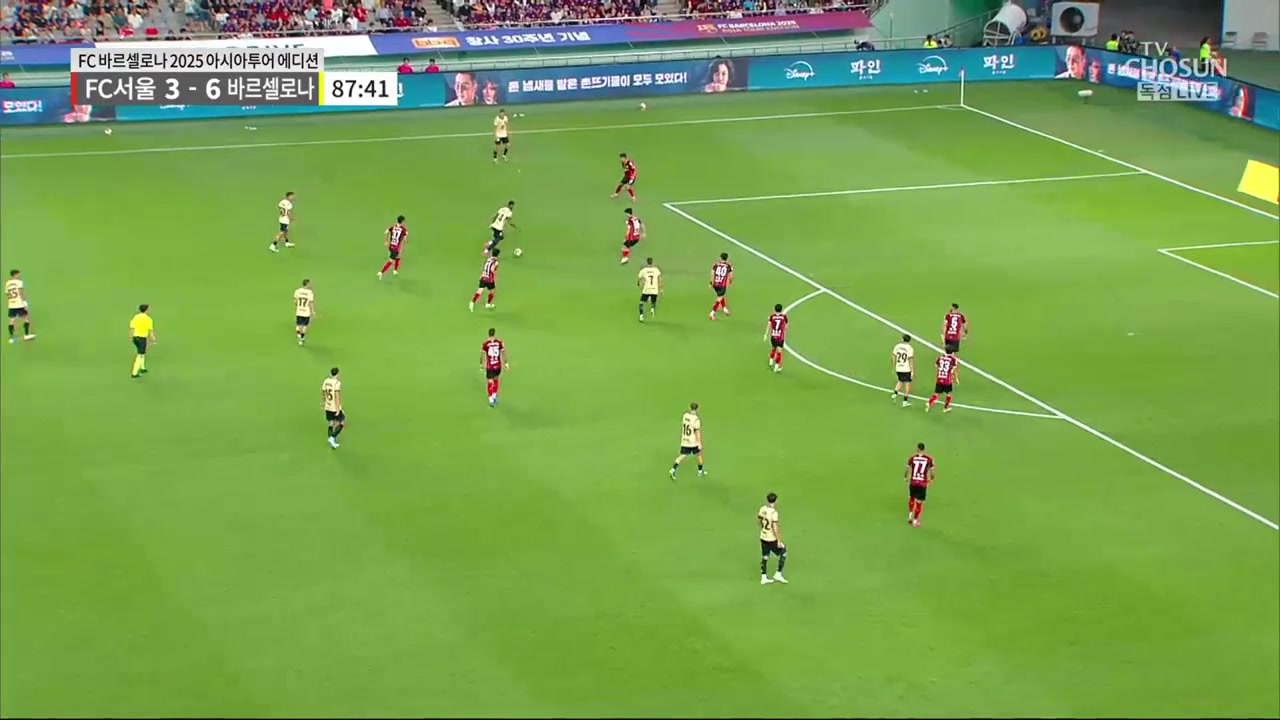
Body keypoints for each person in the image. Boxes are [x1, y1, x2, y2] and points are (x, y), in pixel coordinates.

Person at [758, 492, 787, 584]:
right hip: (771, 538)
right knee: (783, 552)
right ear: (776, 501)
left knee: (765, 556)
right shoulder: (774, 513)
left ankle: (763, 577)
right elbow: (775, 527)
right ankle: (778, 574)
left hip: (763, 536)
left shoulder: (762, 509)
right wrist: (779, 540)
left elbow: (759, 520)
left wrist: (763, 529)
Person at [670, 402, 705, 479]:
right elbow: (697, 432)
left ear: (690, 408)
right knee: (699, 454)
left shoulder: (685, 416)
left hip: (685, 440)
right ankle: (700, 471)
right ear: (697, 409)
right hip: (693, 441)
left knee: (682, 455)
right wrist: (699, 443)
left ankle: (673, 469)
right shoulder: (696, 419)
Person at [5, 269, 34, 344]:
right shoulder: (19, 282)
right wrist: (25, 302)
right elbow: (21, 292)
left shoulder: (7, 283)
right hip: (19, 304)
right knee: (26, 318)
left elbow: (7, 294)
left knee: (11, 320)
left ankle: (11, 338)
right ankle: (26, 335)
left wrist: (10, 302)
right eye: (18, 274)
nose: (19, 275)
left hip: (11, 304)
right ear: (15, 275)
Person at [128, 303, 155, 378]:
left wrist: (130, 337)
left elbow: (132, 328)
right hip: (142, 339)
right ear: (146, 310)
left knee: (142, 352)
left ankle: (142, 368)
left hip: (135, 337)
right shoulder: (148, 319)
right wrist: (153, 339)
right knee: (140, 355)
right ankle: (134, 373)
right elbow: (151, 331)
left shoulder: (136, 317)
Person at [321, 367, 345, 449]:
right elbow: (337, 397)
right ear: (337, 374)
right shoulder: (337, 383)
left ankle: (332, 441)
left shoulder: (326, 381)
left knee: (331, 423)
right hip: (334, 407)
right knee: (342, 423)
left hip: (328, 406)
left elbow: (323, 392)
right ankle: (332, 438)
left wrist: (323, 403)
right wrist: (338, 409)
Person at [637, 257, 661, 322]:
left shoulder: (644, 270)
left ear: (647, 262)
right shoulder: (656, 270)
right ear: (652, 262)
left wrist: (638, 284)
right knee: (653, 301)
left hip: (646, 289)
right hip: (654, 289)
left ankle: (641, 316)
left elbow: (639, 278)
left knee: (641, 303)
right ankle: (652, 309)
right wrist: (660, 288)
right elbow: (659, 278)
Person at [293, 279, 315, 345]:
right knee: (305, 326)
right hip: (306, 312)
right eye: (310, 284)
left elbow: (295, 301)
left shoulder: (297, 291)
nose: (310, 285)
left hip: (299, 311)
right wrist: (313, 312)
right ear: (307, 284)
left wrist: (298, 307)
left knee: (298, 325)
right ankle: (302, 338)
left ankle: (299, 337)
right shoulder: (310, 292)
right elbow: (311, 303)